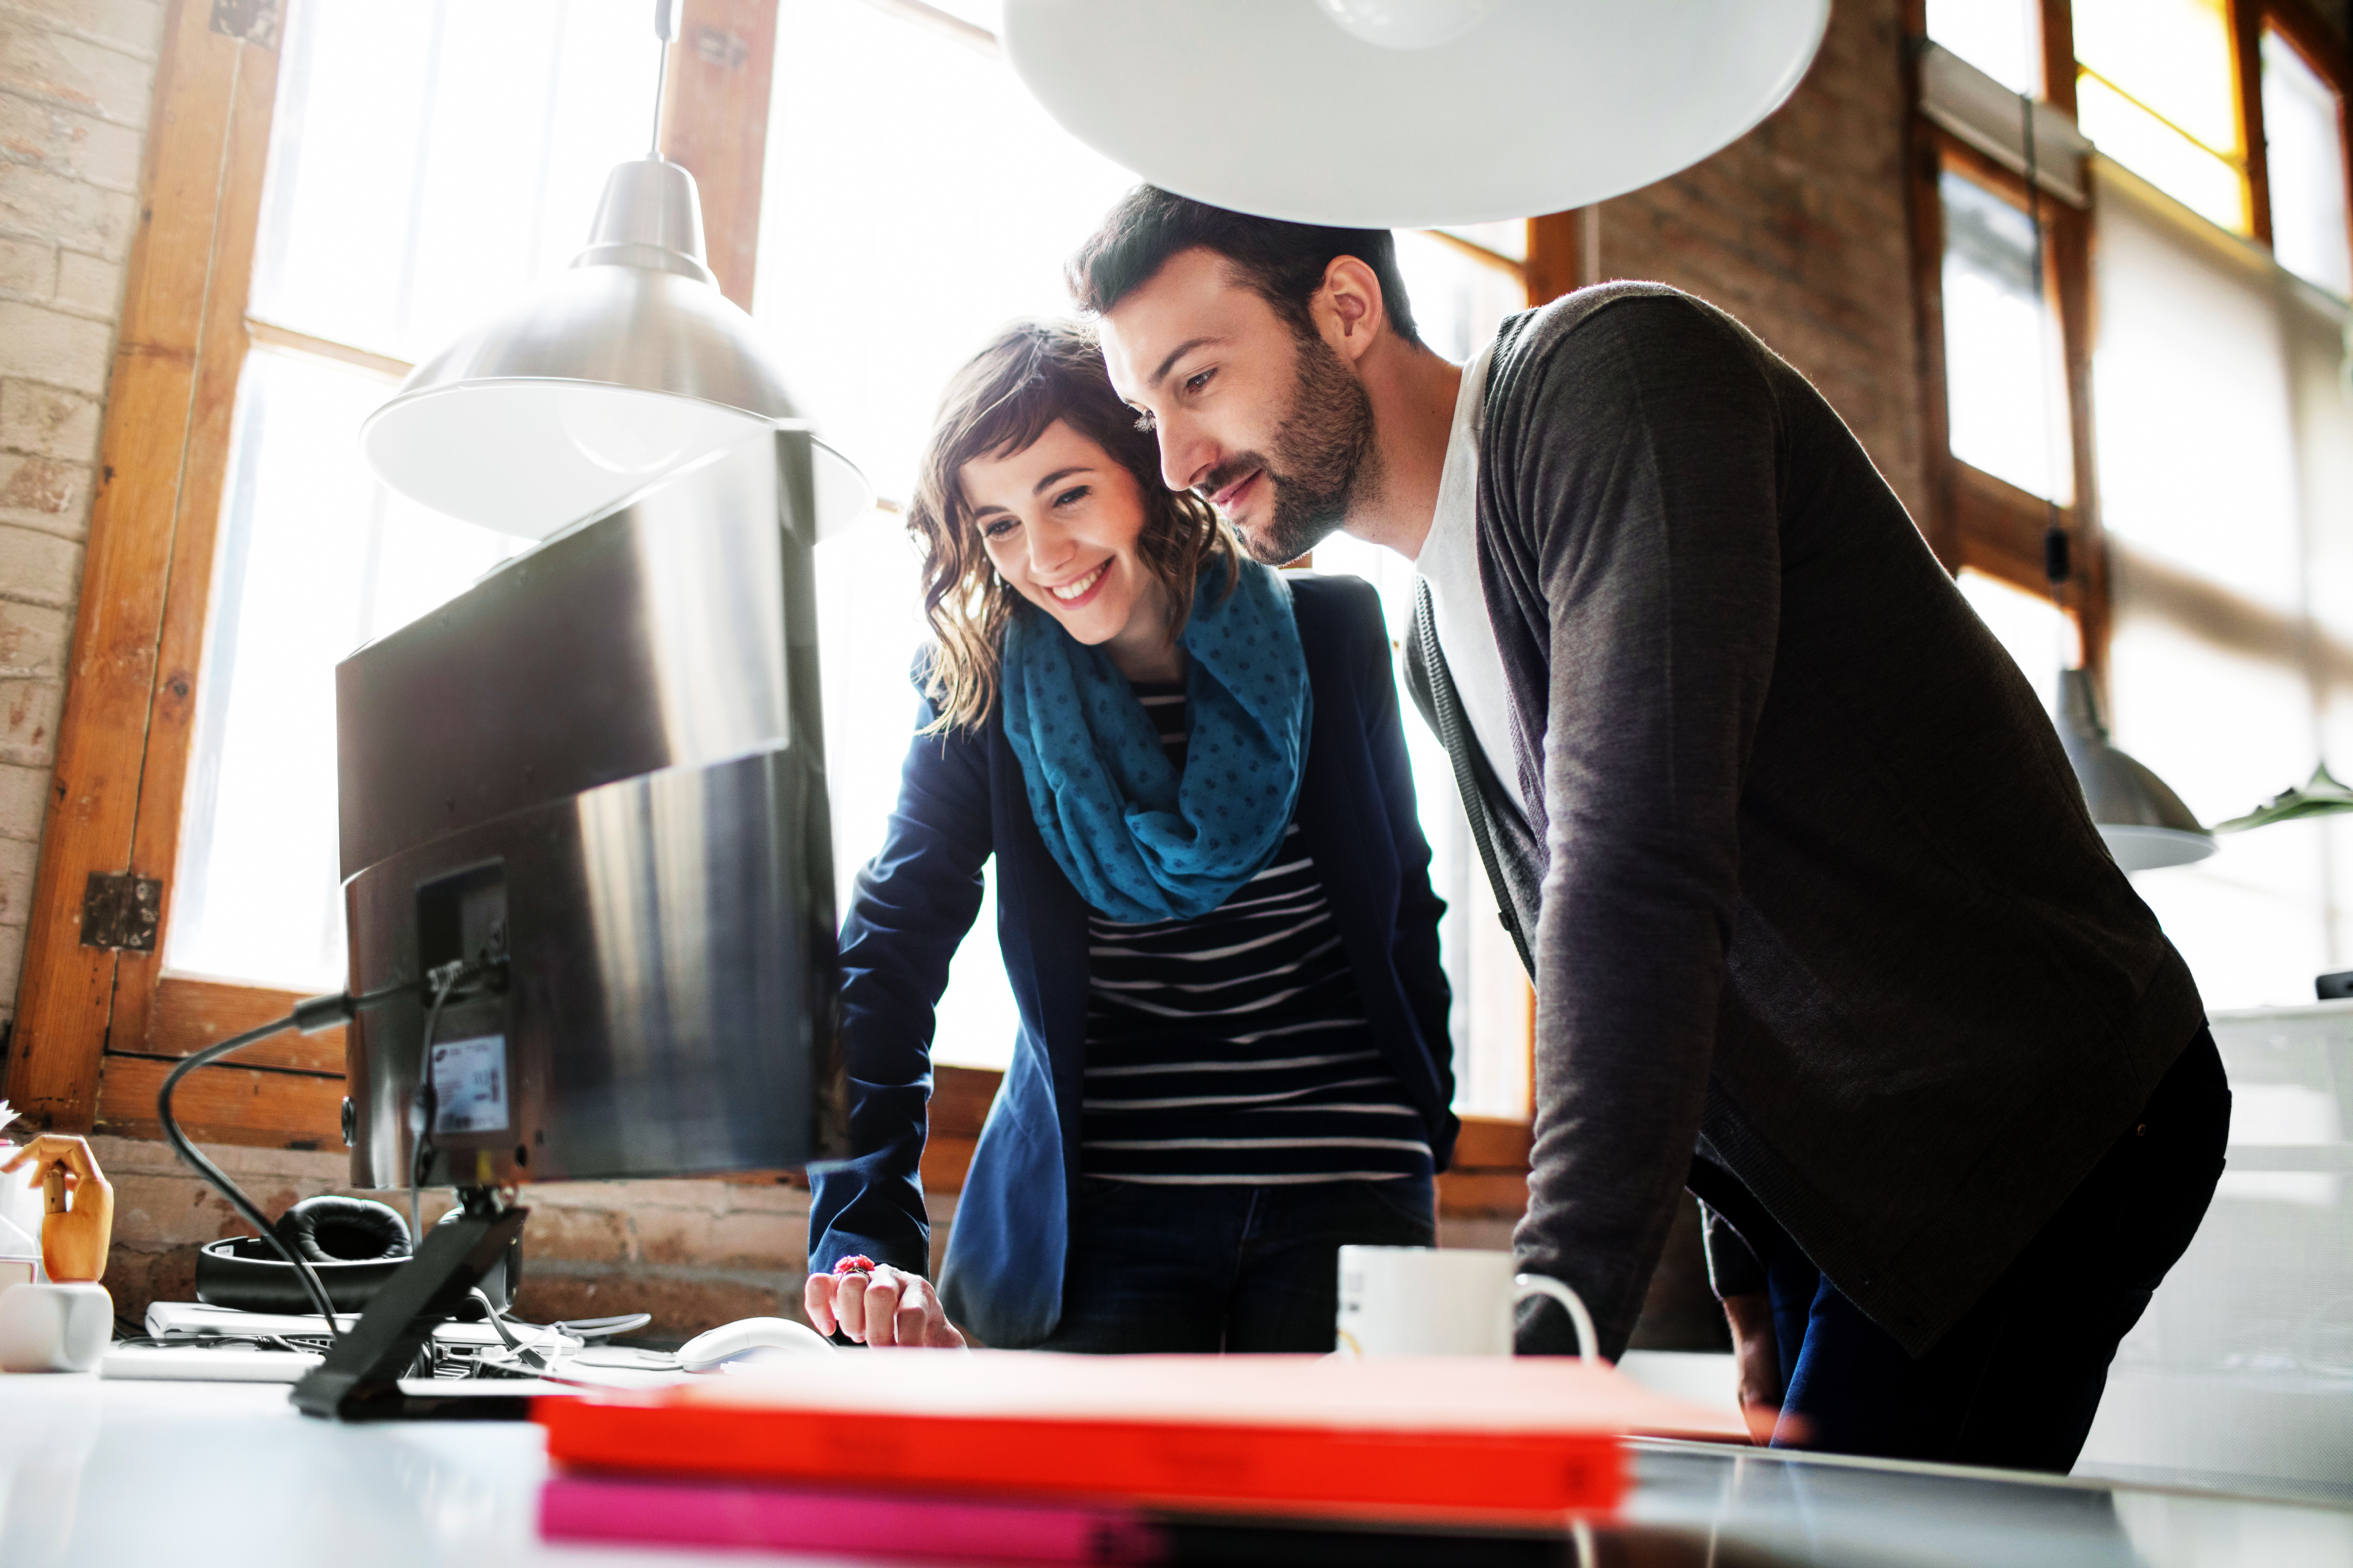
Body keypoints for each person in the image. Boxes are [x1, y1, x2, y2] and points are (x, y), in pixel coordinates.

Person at [1069, 187, 2229, 1470]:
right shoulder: (1431, 644)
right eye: (1146, 413)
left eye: (1195, 380)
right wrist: (1747, 1257)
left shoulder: (1613, 377)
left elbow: (1639, 868)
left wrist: (1558, 1316)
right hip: (1843, 1189)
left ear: (1345, 309)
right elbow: (1701, 952)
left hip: (2030, 1107)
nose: (1173, 460)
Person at [803, 319, 1457, 1353]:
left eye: (1068, 492)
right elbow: (883, 960)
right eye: (1001, 525)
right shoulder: (979, 695)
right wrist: (866, 1233)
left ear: (1148, 463)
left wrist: (1431, 1116)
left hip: (1346, 1196)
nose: (1045, 556)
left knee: (1328, 1521)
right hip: (1099, 1224)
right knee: (1094, 1523)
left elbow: (1402, 898)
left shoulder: (1333, 637)